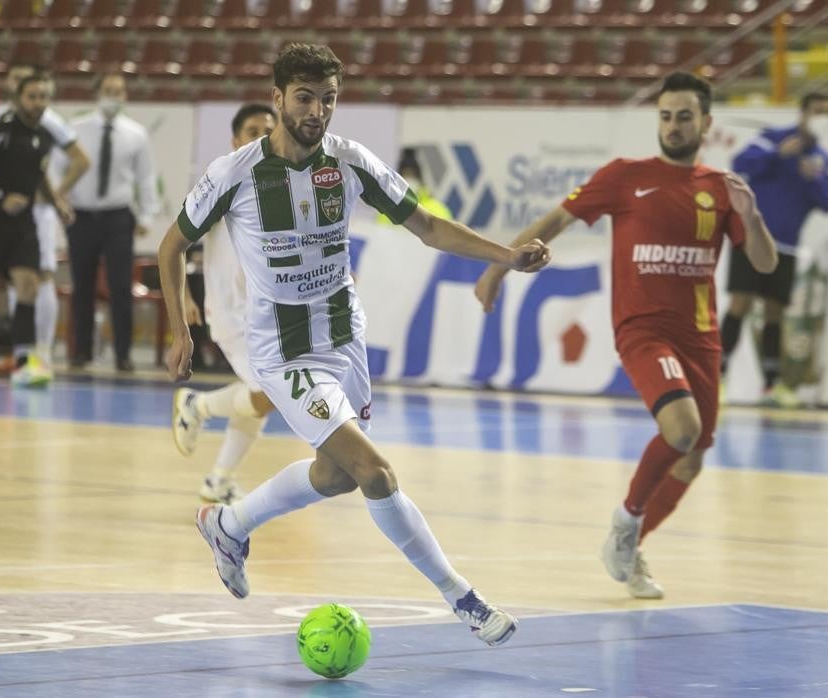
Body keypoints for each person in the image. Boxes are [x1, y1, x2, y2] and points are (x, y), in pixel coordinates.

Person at [158, 44, 551, 645]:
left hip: (345, 340)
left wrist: (508, 256)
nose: (318, 111)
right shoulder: (234, 173)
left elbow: (425, 226)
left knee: (337, 475)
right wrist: (181, 331)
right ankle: (464, 600)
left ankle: (227, 523)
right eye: (306, 97)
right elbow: (169, 246)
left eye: (329, 99)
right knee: (374, 471)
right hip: (284, 353)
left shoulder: (349, 161)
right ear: (279, 98)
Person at [475, 72, 778, 599]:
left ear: (706, 123)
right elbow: (555, 222)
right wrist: (499, 265)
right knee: (682, 428)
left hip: (701, 338)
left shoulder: (720, 190)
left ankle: (629, 545)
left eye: (685, 116)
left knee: (692, 455)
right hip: (643, 330)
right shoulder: (624, 176)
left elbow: (766, 263)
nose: (674, 125)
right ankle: (626, 518)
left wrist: (751, 216)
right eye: (665, 115)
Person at [173, 102, 279, 504]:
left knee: (263, 399)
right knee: (269, 393)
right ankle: (197, 406)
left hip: (269, 313)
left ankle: (219, 480)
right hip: (232, 310)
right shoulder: (223, 179)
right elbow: (178, 241)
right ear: (236, 140)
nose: (260, 137)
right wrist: (183, 296)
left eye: (267, 130)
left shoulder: (282, 182)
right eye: (252, 130)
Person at [0, 63, 90, 370]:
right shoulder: (2, 129)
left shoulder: (46, 133)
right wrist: (1, 196)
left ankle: (23, 361)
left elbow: (39, 172)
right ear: (19, 98)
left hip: (23, 222)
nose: (38, 103)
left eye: (44, 96)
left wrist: (57, 201)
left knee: (28, 284)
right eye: (32, 97)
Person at [720, 91, 828, 407]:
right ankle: (717, 377)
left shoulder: (821, 158)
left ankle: (772, 384)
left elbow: (827, 203)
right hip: (751, 236)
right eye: (817, 110)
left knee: (775, 312)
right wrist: (778, 154)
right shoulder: (772, 138)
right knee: (739, 304)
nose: (822, 117)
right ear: (802, 113)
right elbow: (740, 163)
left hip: (786, 246)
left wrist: (813, 179)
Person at [62, 72, 159, 372]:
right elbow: (59, 167)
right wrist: (59, 201)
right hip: (82, 216)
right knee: (82, 285)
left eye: (119, 91)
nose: (113, 96)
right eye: (108, 90)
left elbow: (145, 177)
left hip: (118, 216)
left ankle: (123, 354)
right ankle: (81, 352)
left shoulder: (136, 134)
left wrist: (146, 215)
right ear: (97, 93)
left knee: (120, 287)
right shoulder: (75, 130)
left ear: (125, 96)